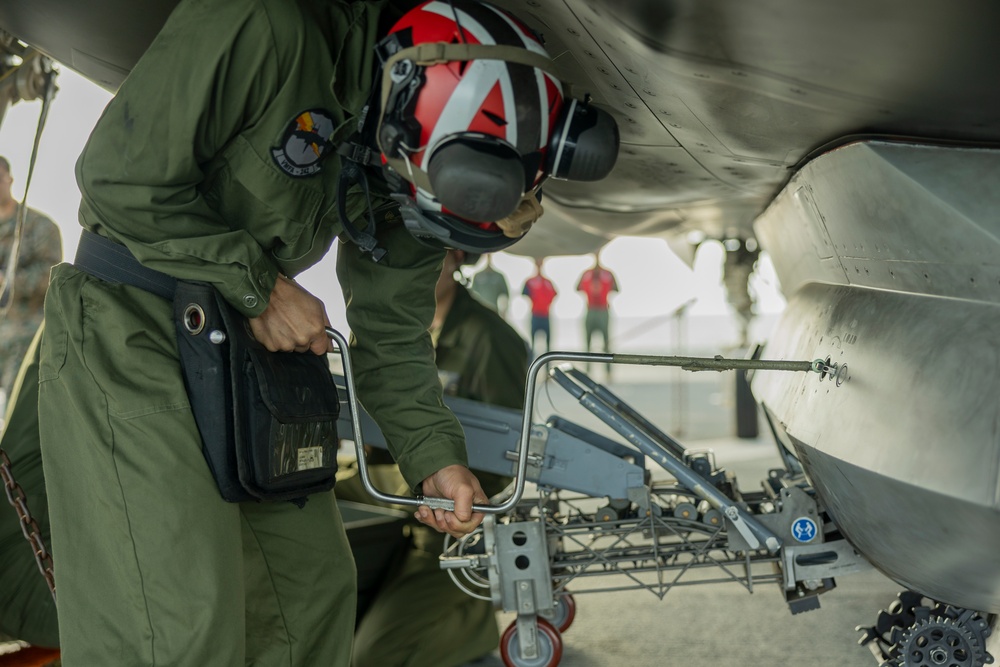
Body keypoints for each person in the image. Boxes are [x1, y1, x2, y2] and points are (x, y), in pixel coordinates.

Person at [28, 0, 619, 664]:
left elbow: (392, 327)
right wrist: (264, 287)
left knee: (309, 597)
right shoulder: (265, 26)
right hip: (130, 328)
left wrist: (435, 459)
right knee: (176, 626)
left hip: (247, 359)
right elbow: (116, 181)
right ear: (406, 118)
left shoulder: (418, 156)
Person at [337, 248, 528, 667]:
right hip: (396, 497)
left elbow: (505, 455)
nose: (414, 268)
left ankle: (469, 619)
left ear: (456, 256)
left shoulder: (489, 340)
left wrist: (430, 479)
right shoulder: (388, 329)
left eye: (430, 255)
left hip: (444, 529)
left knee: (371, 657)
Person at [0, 156, 62, 402]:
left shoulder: (39, 226)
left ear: (10, 179)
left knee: (19, 412)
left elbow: (52, 276)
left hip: (25, 337)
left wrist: (9, 282)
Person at [576, 251, 618, 373]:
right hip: (591, 309)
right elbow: (577, 287)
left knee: (606, 342)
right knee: (588, 342)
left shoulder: (608, 274)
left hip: (602, 310)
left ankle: (608, 370)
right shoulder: (586, 274)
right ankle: (589, 369)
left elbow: (616, 288)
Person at [521, 257, 558, 356]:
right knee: (533, 343)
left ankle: (548, 367)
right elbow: (523, 292)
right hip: (535, 315)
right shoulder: (530, 281)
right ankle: (531, 366)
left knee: (548, 345)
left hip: (545, 315)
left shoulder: (547, 282)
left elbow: (555, 293)